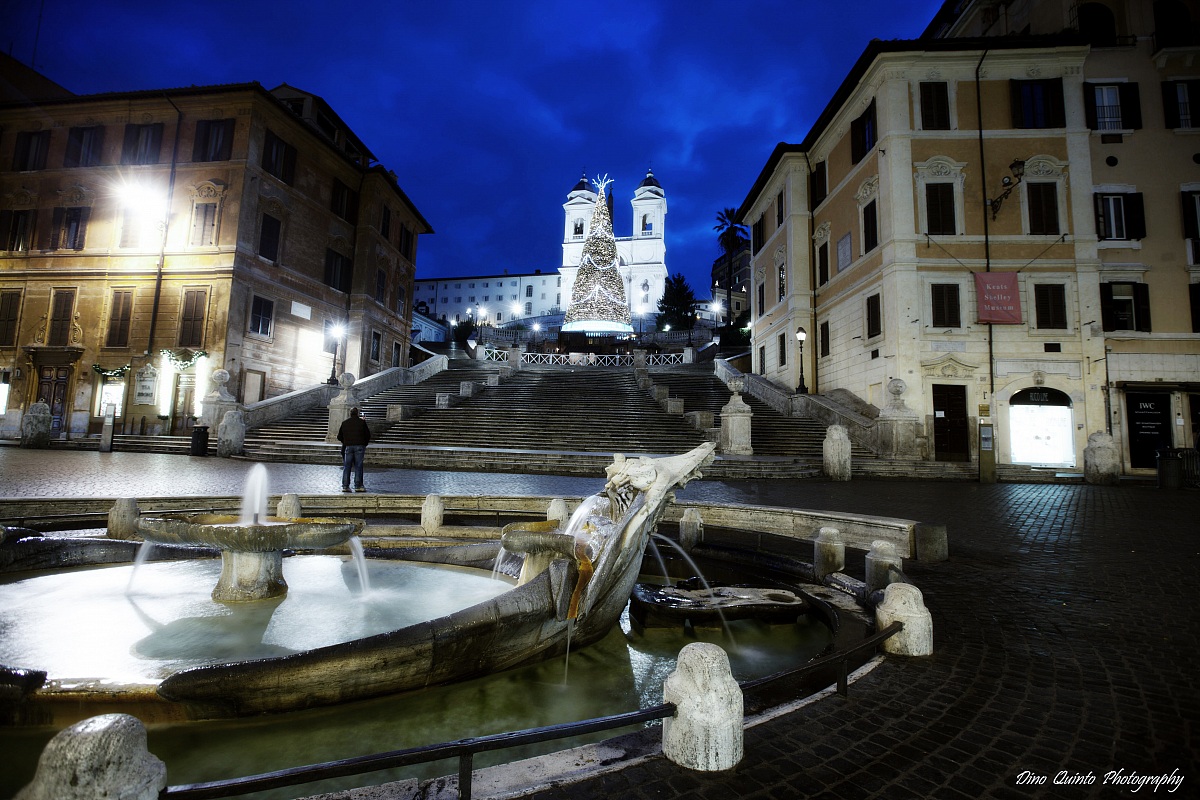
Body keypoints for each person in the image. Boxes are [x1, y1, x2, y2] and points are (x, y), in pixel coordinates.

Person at [337, 407, 371, 492]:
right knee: (358, 466)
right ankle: (358, 485)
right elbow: (368, 435)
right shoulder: (362, 423)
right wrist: (364, 444)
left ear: (350, 413)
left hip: (348, 446)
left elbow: (339, 436)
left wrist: (346, 442)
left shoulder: (345, 423)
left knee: (347, 466)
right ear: (358, 413)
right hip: (359, 446)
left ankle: (345, 486)